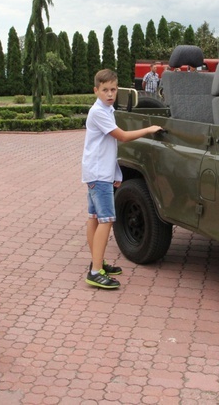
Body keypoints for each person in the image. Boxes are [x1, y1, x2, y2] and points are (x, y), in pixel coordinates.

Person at [81, 69, 163, 289]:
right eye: (105, 90)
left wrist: (116, 173)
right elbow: (123, 137)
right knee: (106, 220)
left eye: (113, 89)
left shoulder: (106, 109)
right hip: (98, 174)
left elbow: (108, 146)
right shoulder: (99, 112)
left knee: (95, 217)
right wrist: (149, 129)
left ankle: (97, 262)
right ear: (95, 90)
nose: (110, 94)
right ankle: (95, 272)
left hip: (97, 172)